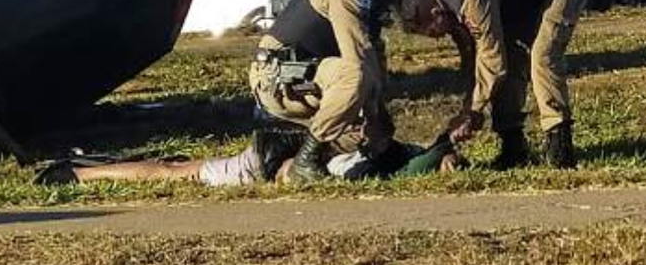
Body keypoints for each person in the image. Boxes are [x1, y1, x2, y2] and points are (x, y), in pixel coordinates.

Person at [401, 0, 589, 169]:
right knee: (510, 59)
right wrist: (469, 109)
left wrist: (473, 111)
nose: (439, 38)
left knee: (542, 57)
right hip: (523, 1)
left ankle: (561, 147)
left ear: (436, 14)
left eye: (433, 32)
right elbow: (474, 61)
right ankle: (514, 147)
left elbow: (491, 58)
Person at [251, 0, 416, 182]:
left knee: (362, 122)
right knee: (355, 77)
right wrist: (372, 115)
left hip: (308, 76)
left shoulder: (370, 4)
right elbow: (357, 55)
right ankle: (305, 162)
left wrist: (380, 128)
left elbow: (375, 67)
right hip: (277, 76)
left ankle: (282, 146)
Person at [33, 124, 466, 186]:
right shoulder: (383, 168)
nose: (452, 168)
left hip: (273, 152)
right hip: (265, 162)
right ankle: (79, 175)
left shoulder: (394, 155)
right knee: (173, 173)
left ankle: (84, 168)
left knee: (177, 168)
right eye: (452, 163)